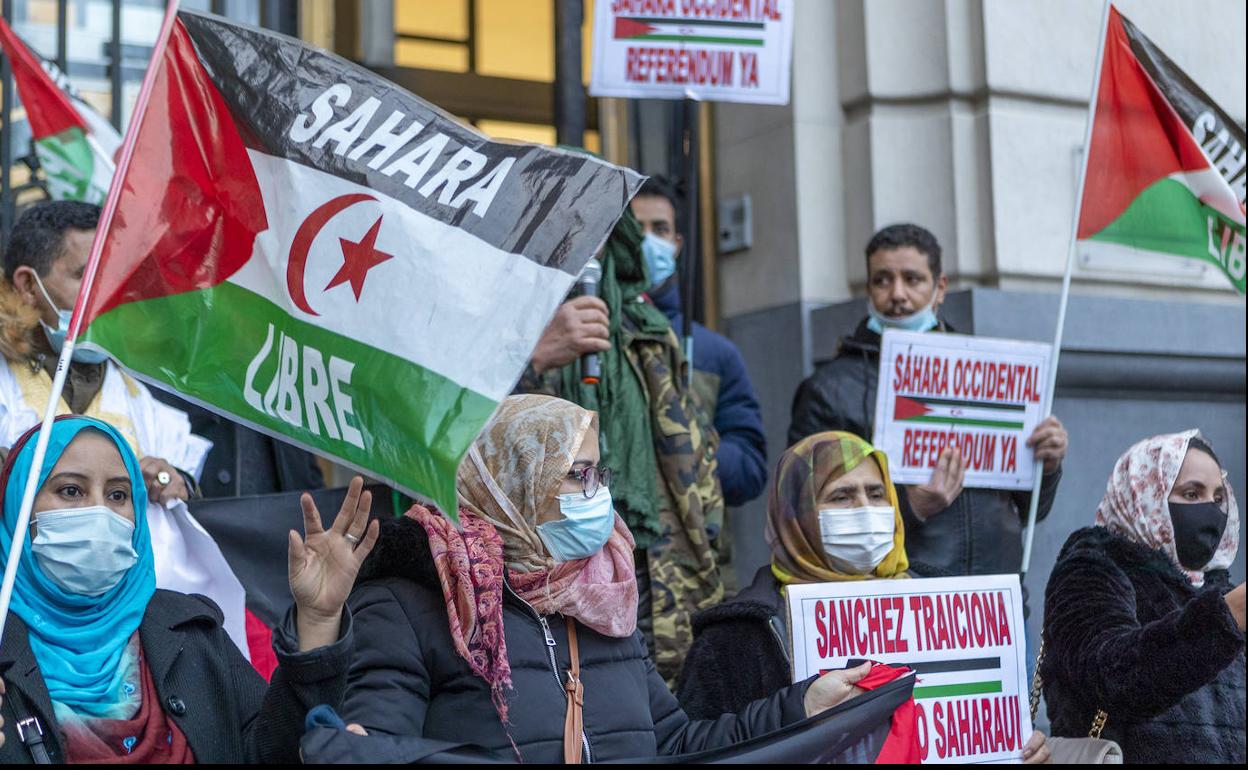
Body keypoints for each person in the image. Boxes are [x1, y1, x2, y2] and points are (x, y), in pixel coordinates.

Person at [342, 394, 870, 763]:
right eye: (577, 474)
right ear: (513, 483)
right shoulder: (413, 606)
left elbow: (677, 744)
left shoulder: (603, 601)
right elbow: (375, 747)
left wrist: (802, 706)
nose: (598, 494)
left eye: (600, 474)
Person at [0, 415, 375, 762]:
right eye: (70, 490)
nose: (99, 511)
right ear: (18, 507)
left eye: (118, 495)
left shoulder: (191, 631)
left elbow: (273, 750)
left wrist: (318, 618)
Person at [0, 199, 260, 661]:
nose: (106, 297)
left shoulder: (141, 396)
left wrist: (167, 480)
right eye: (84, 276)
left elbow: (184, 506)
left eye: (113, 279)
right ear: (27, 286)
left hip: (136, 642)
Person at [788, 223, 1069, 580]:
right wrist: (910, 507)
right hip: (900, 600)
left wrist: (1047, 466)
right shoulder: (828, 390)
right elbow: (806, 520)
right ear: (869, 290)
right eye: (882, 280)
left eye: (913, 279)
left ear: (940, 288)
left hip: (997, 598)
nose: (898, 295)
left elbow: (1033, 512)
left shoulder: (986, 375)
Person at [515, 209, 723, 685]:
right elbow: (470, 445)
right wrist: (537, 357)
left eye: (597, 236)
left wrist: (711, 555)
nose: (586, 250)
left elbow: (691, 464)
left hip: (653, 565)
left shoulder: (647, 327)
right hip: (540, 570)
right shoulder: (498, 323)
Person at [676, 432, 915, 720]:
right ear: (795, 514)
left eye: (877, 494)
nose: (865, 508)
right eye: (841, 496)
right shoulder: (732, 640)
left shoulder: (941, 602)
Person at [1041, 430, 1245, 764]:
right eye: (1191, 493)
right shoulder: (1093, 566)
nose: (1210, 509)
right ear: (1143, 493)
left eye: (1219, 497)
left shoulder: (1216, 588)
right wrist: (1226, 618)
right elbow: (1115, 678)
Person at [631, 175, 767, 510]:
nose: (648, 240)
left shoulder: (715, 353)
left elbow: (751, 470)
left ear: (677, 243)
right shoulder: (587, 334)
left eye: (659, 229)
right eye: (636, 228)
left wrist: (687, 444)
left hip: (692, 553)